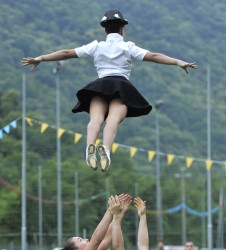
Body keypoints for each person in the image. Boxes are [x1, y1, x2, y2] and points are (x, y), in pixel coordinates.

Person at [21, 10, 197, 173]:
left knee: (96, 119)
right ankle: (105, 149)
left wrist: (41, 58)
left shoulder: (96, 46)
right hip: (122, 87)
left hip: (100, 86)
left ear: (105, 31)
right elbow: (154, 56)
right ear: (123, 30)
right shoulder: (128, 47)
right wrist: (177, 62)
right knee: (112, 119)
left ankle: (90, 146)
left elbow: (67, 52)